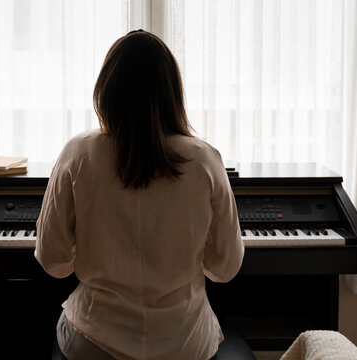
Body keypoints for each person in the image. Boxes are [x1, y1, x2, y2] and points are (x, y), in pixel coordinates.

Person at [35, 30, 244, 360]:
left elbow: (52, 261)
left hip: (93, 340)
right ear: (172, 93)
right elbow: (226, 268)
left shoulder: (77, 153)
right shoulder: (204, 159)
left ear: (106, 90)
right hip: (185, 344)